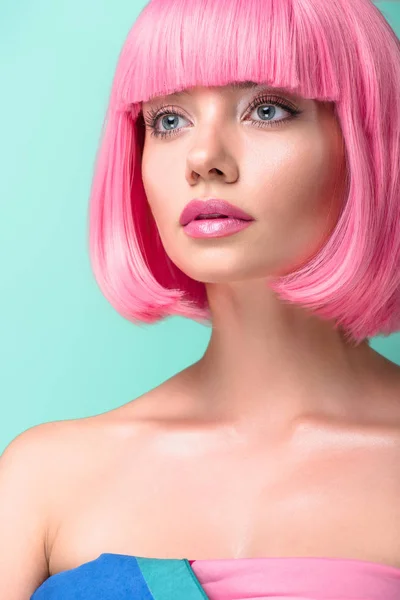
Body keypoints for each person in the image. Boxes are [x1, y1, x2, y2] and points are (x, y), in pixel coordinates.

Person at [2, 0, 400, 598]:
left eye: (267, 109)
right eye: (167, 121)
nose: (203, 158)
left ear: (366, 140)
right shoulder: (42, 478)